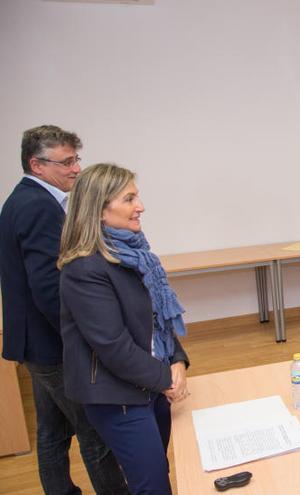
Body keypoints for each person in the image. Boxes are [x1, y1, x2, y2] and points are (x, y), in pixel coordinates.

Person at [0, 126, 128, 495]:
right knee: (95, 430)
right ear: (37, 165)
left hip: (36, 344)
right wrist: (88, 340)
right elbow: (49, 289)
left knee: (52, 431)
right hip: (52, 347)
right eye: (66, 162)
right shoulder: (38, 206)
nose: (75, 169)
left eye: (76, 159)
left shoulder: (25, 200)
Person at [58, 163, 190, 494]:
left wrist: (177, 360)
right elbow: (113, 346)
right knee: (153, 485)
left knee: (157, 471)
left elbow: (159, 319)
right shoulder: (84, 268)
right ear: (99, 209)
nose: (140, 207)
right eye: (129, 199)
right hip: (118, 395)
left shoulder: (135, 254)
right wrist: (166, 379)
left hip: (151, 384)